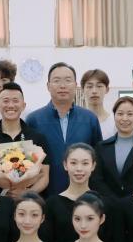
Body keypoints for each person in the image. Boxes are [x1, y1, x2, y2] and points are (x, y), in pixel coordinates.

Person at [25, 62, 103, 193]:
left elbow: (98, 158)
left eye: (68, 80)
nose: (62, 86)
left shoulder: (89, 119)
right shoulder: (34, 120)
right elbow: (28, 162)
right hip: (45, 195)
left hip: (83, 195)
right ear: (48, 86)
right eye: (56, 81)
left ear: (76, 85)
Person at [0, 82, 50, 198]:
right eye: (6, 101)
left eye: (15, 101)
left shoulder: (38, 137)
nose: (11, 105)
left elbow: (44, 176)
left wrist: (26, 193)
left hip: (28, 203)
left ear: (23, 105)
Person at [42, 143, 114, 242]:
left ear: (93, 166)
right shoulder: (51, 204)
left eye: (85, 163)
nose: (79, 168)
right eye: (73, 163)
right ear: (65, 165)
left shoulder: (105, 204)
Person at [90, 96, 133, 200]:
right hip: (107, 204)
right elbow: (96, 180)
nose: (124, 118)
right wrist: (114, 201)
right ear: (114, 116)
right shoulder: (101, 147)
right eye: (120, 114)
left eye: (130, 114)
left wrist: (131, 201)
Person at [81, 68, 115, 138]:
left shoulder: (115, 122)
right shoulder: (76, 122)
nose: (94, 91)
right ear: (82, 90)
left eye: (99, 86)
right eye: (89, 87)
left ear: (107, 89)